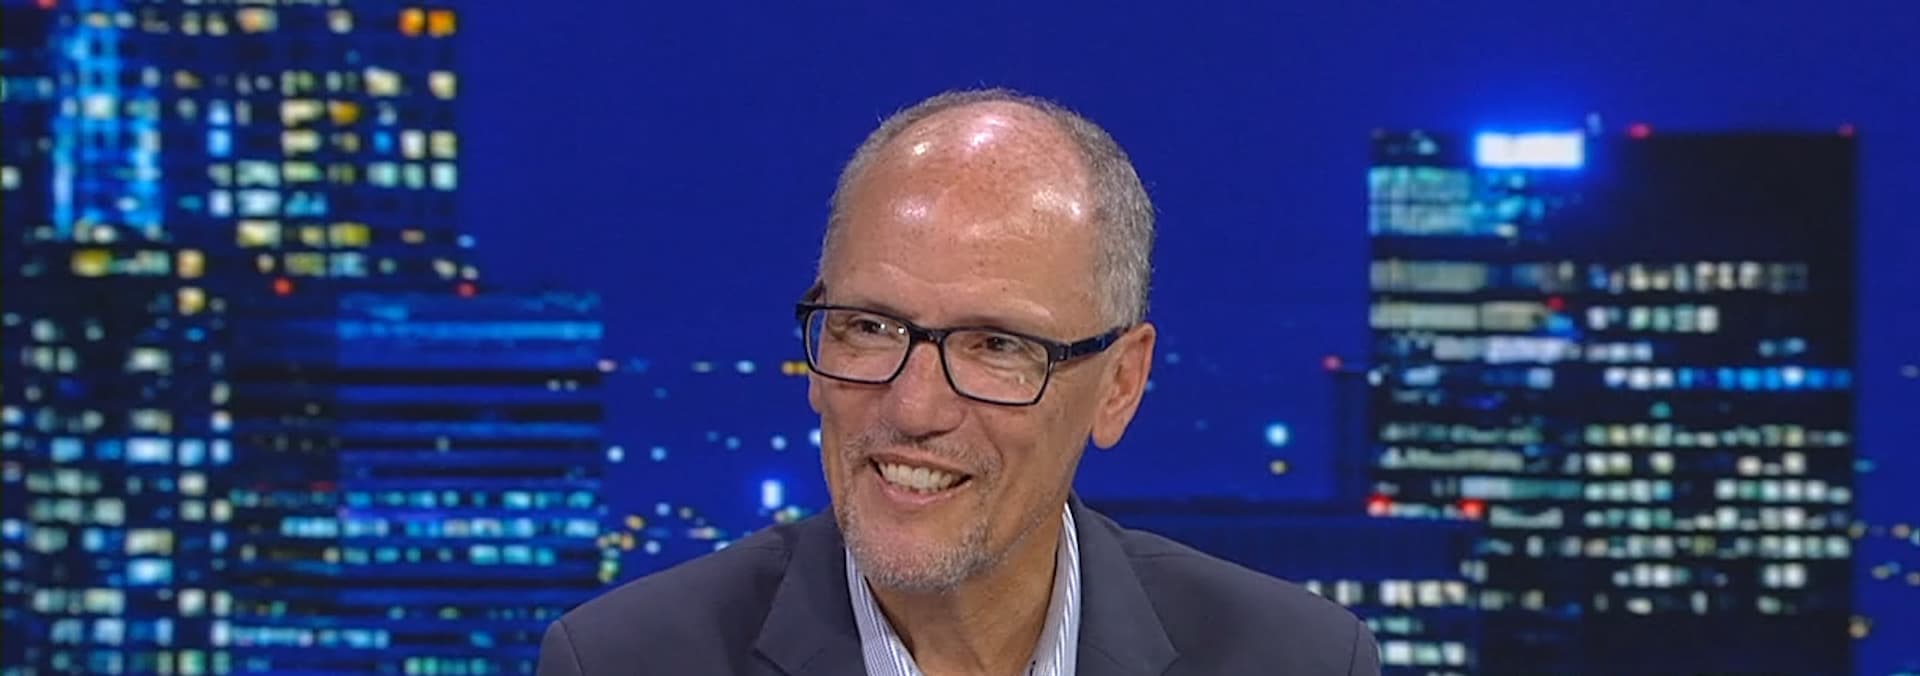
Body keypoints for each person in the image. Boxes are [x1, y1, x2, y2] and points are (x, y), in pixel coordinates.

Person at [537, 88, 1379, 676]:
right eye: (869, 328)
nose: (914, 407)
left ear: (1120, 384)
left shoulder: (1294, 660)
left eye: (996, 346)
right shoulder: (625, 661)